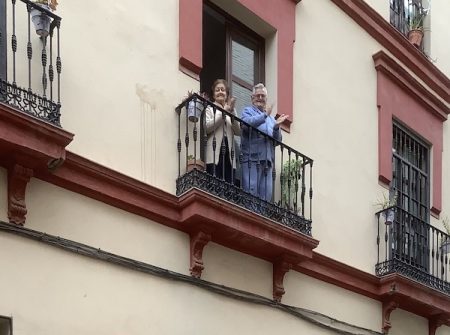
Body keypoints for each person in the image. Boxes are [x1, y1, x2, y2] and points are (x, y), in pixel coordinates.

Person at [241, 83, 288, 201]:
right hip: (252, 158)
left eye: (263, 96)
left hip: (267, 161)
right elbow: (246, 124)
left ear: (266, 99)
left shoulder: (272, 120)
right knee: (251, 191)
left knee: (266, 195)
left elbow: (277, 141)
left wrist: (277, 127)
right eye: (257, 96)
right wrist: (264, 115)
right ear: (252, 98)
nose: (260, 98)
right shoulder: (248, 111)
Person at [204, 79, 240, 183]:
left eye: (223, 90)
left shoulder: (231, 110)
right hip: (215, 151)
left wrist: (232, 112)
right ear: (214, 94)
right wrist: (224, 112)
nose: (220, 92)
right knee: (215, 183)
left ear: (227, 94)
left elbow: (238, 131)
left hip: (229, 151)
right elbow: (207, 127)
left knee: (228, 184)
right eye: (217, 90)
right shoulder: (209, 109)